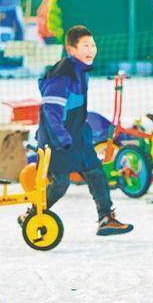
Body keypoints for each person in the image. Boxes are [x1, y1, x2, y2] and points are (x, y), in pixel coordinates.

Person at [25, 25, 133, 236]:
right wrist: (62, 139)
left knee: (95, 172)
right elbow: (51, 112)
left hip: (77, 136)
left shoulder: (80, 71)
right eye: (85, 46)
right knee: (60, 183)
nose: (91, 50)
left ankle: (106, 218)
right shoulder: (62, 75)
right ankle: (32, 215)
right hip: (57, 139)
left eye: (93, 45)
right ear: (71, 49)